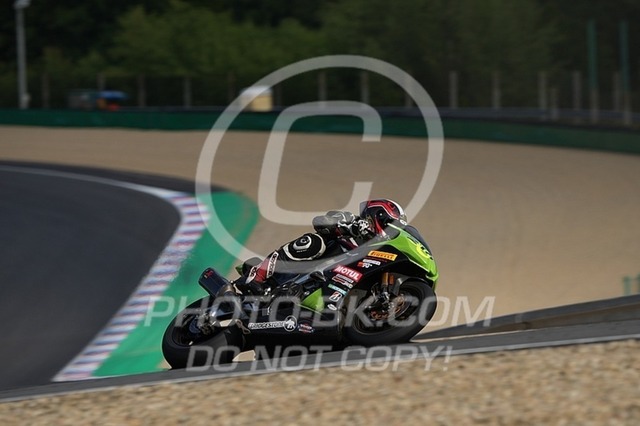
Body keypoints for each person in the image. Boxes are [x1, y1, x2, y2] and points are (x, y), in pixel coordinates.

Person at [235, 198, 432, 294]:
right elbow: (320, 221)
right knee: (313, 242)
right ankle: (257, 275)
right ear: (377, 216)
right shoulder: (353, 222)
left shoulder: (380, 252)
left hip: (321, 288)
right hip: (300, 273)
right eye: (390, 223)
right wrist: (348, 226)